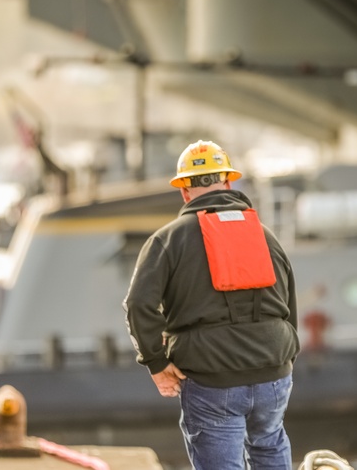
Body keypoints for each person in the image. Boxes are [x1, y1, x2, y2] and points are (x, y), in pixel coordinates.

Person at [124, 140, 299, 469]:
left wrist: (156, 363)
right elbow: (288, 304)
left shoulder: (167, 240)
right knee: (269, 443)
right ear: (229, 182)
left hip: (212, 377)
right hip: (274, 372)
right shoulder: (265, 235)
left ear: (184, 191)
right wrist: (283, 358)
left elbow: (137, 305)